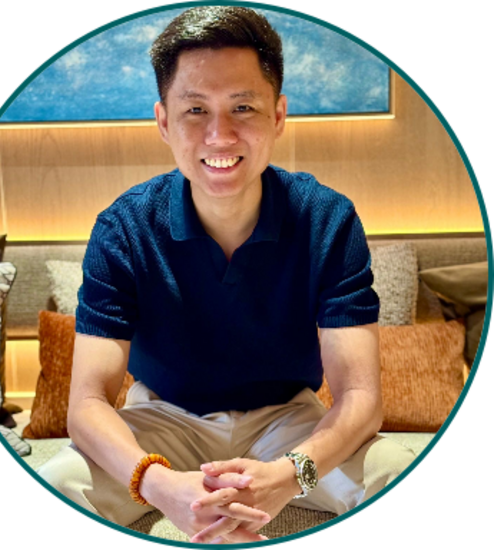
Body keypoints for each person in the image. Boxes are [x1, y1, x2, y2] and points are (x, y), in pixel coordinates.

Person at [38, 6, 416, 544]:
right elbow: (87, 405)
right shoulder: (123, 228)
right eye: (195, 109)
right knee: (47, 491)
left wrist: (289, 476)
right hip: (162, 418)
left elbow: (360, 397)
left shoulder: (327, 219)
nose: (220, 135)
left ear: (278, 115)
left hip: (289, 421)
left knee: (418, 486)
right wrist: (161, 486)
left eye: (243, 107)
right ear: (164, 121)